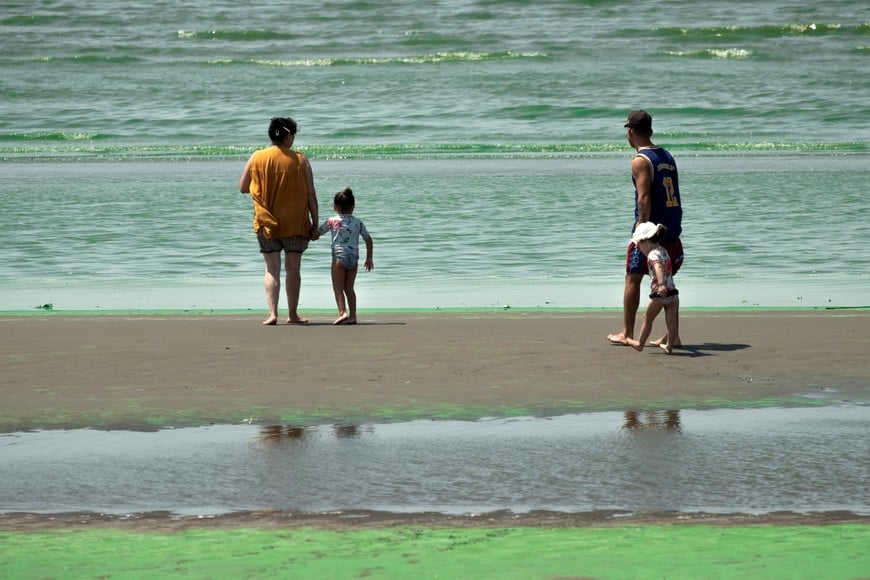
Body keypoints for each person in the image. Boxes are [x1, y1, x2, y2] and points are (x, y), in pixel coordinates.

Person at [607, 110, 683, 348]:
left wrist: (641, 228)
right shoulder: (666, 155)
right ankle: (673, 336)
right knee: (667, 284)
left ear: (630, 131)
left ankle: (627, 332)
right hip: (671, 230)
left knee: (633, 277)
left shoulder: (640, 160)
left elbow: (644, 198)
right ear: (650, 130)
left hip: (651, 234)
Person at [239, 117, 319, 326]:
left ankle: (273, 314)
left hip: (267, 222)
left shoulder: (257, 157)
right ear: (288, 135)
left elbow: (243, 186)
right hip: (295, 223)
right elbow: (311, 194)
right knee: (293, 268)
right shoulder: (300, 160)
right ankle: (292, 315)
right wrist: (315, 222)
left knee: (271, 269)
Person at [317, 187, 373, 325]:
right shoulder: (358, 222)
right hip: (353, 258)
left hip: (339, 258)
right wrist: (369, 258)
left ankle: (342, 313)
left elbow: (317, 234)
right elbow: (368, 239)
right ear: (353, 206)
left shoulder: (332, 221)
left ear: (335, 207)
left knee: (338, 288)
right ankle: (353, 316)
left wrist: (307, 232)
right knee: (349, 288)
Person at [626, 222, 680, 354]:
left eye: (639, 246)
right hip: (672, 293)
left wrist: (660, 284)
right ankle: (669, 345)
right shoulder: (663, 251)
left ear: (647, 242)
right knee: (671, 321)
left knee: (647, 318)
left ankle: (640, 343)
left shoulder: (652, 255)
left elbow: (658, 267)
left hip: (659, 295)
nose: (639, 250)